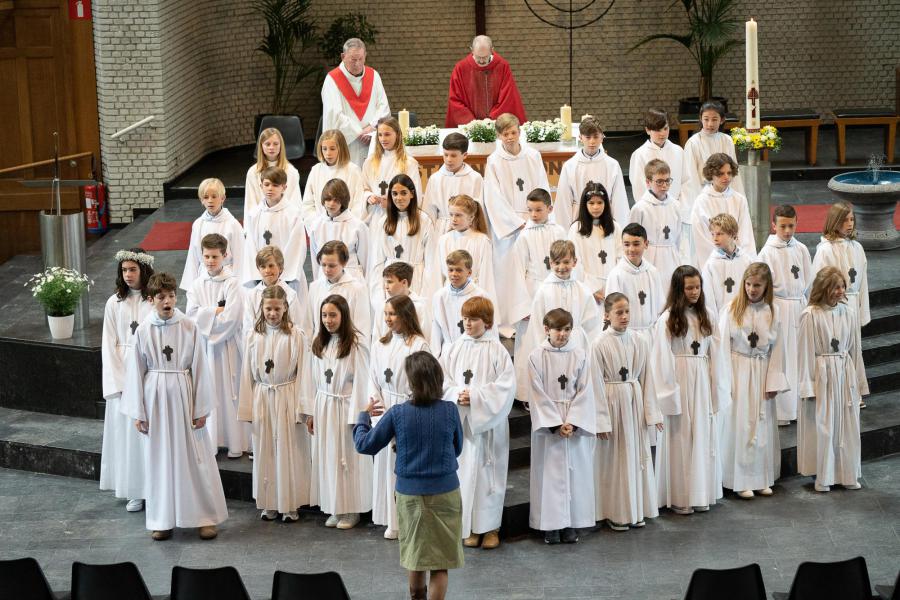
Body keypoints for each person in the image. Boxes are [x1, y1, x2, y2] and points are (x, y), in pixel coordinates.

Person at [121, 272, 228, 541]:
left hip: (183, 395)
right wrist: (138, 411)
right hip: (155, 397)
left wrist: (201, 407)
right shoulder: (144, 330)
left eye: (170, 296)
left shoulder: (189, 327)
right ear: (150, 300)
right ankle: (162, 519)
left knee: (195, 457)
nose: (167, 301)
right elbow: (136, 371)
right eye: (161, 297)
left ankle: (204, 517)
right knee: (160, 460)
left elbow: (200, 368)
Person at [354, 351, 464, 600]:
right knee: (440, 562)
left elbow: (364, 445)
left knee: (415, 556)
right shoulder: (450, 410)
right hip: (446, 492)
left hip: (410, 494)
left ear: (411, 382)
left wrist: (363, 417)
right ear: (438, 378)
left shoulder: (397, 413)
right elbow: (456, 449)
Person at [650, 266, 728, 515]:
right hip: (680, 382)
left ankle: (701, 493)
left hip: (702, 381)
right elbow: (661, 360)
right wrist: (668, 397)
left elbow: (717, 354)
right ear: (678, 290)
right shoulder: (667, 319)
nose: (695, 292)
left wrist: (717, 387)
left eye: (698, 287)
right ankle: (682, 496)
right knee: (681, 437)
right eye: (689, 288)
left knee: (702, 435)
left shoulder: (709, 316)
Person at [440, 297, 515, 550]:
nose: (468, 323)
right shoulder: (453, 348)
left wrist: (476, 396)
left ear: (487, 322)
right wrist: (457, 394)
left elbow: (505, 387)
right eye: (465, 318)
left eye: (473, 319)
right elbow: (443, 381)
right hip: (463, 424)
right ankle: (470, 527)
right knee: (464, 475)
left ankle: (491, 528)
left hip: (489, 424)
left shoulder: (497, 351)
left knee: (489, 476)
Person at [237, 285, 312, 522]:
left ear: (285, 307)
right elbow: (246, 373)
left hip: (287, 395)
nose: (272, 313)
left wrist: (304, 407)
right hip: (262, 395)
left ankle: (290, 505)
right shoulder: (252, 336)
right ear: (261, 308)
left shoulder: (296, 335)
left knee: (289, 449)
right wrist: (247, 406)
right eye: (268, 308)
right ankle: (269, 503)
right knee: (265, 450)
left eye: (277, 308)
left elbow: (304, 373)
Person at [592, 293, 662, 531]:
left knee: (637, 457)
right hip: (612, 404)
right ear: (607, 315)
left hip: (633, 401)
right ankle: (616, 512)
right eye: (619, 312)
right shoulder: (599, 343)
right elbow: (595, 383)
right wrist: (601, 422)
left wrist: (652, 414)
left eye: (627, 312)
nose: (624, 317)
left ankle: (637, 508)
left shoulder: (639, 340)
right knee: (617, 459)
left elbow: (648, 378)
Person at [528, 308, 597, 544]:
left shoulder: (580, 355)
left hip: (572, 421)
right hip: (550, 425)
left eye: (567, 329)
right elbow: (536, 393)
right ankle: (550, 525)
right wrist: (555, 424)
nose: (563, 334)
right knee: (550, 475)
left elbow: (586, 390)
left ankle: (571, 523)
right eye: (558, 329)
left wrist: (573, 423)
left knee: (574, 473)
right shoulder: (536, 356)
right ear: (547, 329)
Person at [718, 263, 787, 499]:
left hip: (761, 370)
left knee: (761, 424)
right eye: (748, 284)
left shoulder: (773, 311)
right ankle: (740, 479)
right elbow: (722, 348)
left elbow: (778, 349)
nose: (752, 289)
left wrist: (774, 381)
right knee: (741, 425)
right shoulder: (731, 309)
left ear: (767, 285)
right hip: (739, 370)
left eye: (757, 285)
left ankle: (760, 478)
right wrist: (725, 380)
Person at [797, 267, 868, 492]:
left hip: (844, 374)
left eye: (842, 287)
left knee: (847, 424)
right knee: (825, 425)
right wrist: (808, 386)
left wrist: (858, 382)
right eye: (835, 287)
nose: (840, 291)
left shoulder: (849, 313)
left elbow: (856, 350)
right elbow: (805, 353)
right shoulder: (811, 315)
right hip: (823, 375)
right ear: (823, 288)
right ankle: (824, 477)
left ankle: (848, 474)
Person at [368, 294, 431, 540]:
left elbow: (425, 384)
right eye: (385, 314)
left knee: (406, 469)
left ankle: (410, 521)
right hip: (386, 410)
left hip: (409, 409)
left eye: (392, 314)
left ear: (406, 315)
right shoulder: (379, 345)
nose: (388, 319)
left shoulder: (419, 345)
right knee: (387, 468)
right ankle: (391, 520)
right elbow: (373, 381)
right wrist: (378, 415)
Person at [308, 294, 373, 529]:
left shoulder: (356, 344)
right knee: (329, 457)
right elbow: (313, 380)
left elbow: (363, 382)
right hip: (325, 405)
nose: (328, 320)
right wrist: (311, 413)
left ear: (343, 316)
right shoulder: (319, 343)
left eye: (333, 315)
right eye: (324, 315)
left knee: (347, 458)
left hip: (346, 408)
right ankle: (335, 506)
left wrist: (358, 417)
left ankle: (351, 509)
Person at [100, 248, 154, 513]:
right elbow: (108, 345)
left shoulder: (154, 301)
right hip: (122, 373)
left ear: (144, 270)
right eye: (124, 270)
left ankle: (153, 487)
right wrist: (120, 382)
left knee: (147, 435)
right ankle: (134, 490)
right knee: (128, 439)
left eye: (133, 269)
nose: (128, 274)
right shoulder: (114, 303)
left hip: (148, 372)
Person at [482, 113, 548, 332]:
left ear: (519, 132)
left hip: (534, 220)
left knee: (534, 269)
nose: (510, 137)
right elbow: (493, 196)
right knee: (507, 272)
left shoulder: (533, 156)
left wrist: (537, 214)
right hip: (509, 227)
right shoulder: (494, 161)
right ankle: (509, 320)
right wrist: (517, 222)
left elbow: (542, 185)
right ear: (499, 136)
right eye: (505, 134)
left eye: (513, 132)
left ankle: (536, 313)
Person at [185, 234, 247, 458]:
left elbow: (232, 317)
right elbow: (189, 315)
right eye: (206, 256)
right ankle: (210, 441)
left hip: (228, 347)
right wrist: (213, 312)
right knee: (208, 389)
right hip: (204, 348)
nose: (210, 261)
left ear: (225, 255)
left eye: (215, 256)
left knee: (229, 393)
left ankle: (234, 442)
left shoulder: (233, 284)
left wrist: (207, 316)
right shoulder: (196, 284)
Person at [516, 240, 602, 401]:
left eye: (566, 262)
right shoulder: (544, 291)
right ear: (550, 262)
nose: (562, 267)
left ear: (575, 262)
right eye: (557, 262)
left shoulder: (582, 290)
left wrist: (588, 350)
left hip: (577, 345)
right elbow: (537, 327)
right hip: (551, 347)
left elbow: (592, 323)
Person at [757, 204, 812, 425]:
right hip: (779, 309)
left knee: (800, 357)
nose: (787, 231)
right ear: (774, 225)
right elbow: (762, 287)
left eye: (791, 225)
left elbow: (808, 281)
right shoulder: (767, 253)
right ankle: (783, 412)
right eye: (783, 226)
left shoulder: (802, 250)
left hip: (799, 306)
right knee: (784, 357)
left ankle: (799, 407)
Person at [367, 173, 440, 305]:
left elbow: (431, 263)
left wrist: (425, 296)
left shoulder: (424, 221)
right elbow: (376, 262)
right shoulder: (384, 222)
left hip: (415, 281)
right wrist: (378, 296)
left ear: (412, 194)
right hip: (390, 282)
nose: (398, 198)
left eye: (403, 193)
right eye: (394, 194)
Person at [321, 38, 390, 167]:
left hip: (371, 142)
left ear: (365, 56)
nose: (357, 64)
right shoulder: (332, 80)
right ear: (343, 56)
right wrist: (359, 132)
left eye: (361, 59)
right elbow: (334, 115)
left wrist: (372, 127)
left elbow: (383, 107)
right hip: (346, 145)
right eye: (353, 59)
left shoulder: (374, 76)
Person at [241, 166, 309, 299]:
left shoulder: (293, 215)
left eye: (275, 185)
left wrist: (282, 276)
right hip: (262, 277)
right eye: (266, 184)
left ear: (284, 187)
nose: (270, 188)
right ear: (261, 186)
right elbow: (250, 247)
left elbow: (296, 248)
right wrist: (259, 274)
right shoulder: (254, 215)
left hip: (286, 280)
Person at [554, 116, 629, 228]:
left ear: (602, 137)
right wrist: (564, 232)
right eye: (588, 137)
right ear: (580, 137)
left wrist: (620, 229)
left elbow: (619, 200)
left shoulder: (612, 165)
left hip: (606, 218)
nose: (592, 141)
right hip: (578, 221)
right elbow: (563, 202)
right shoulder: (570, 166)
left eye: (596, 137)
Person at [445, 35, 526, 127]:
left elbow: (507, 97)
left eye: (485, 57)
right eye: (478, 57)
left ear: (492, 50)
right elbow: (455, 99)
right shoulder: (460, 68)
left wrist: (491, 120)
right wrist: (472, 123)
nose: (482, 61)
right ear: (472, 50)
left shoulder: (502, 66)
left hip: (496, 124)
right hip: (470, 125)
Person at [691, 153, 755, 269]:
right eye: (720, 174)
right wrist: (720, 258)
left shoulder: (739, 199)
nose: (726, 177)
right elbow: (701, 238)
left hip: (737, 259)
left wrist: (743, 258)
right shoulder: (702, 201)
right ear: (711, 174)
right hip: (713, 261)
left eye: (729, 173)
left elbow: (746, 233)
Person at [628, 159, 684, 289]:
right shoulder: (640, 208)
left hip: (671, 257)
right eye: (659, 181)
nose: (664, 185)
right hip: (649, 257)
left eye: (667, 181)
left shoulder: (675, 205)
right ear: (648, 182)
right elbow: (632, 239)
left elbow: (678, 237)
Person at [812, 202, 870, 328]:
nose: (850, 224)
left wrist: (863, 313)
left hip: (854, 304)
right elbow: (818, 284)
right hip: (834, 307)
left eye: (852, 219)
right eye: (845, 220)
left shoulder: (857, 248)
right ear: (835, 221)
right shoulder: (825, 250)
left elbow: (863, 283)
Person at [431, 249, 497, 358]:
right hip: (449, 354)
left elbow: (491, 329)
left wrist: (492, 355)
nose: (454, 274)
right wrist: (435, 357)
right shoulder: (440, 296)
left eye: (459, 270)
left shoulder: (481, 296)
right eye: (450, 270)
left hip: (475, 352)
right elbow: (436, 330)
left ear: (469, 272)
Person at [604, 223, 665, 341]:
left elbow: (660, 307)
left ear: (646, 244)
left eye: (636, 244)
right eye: (627, 244)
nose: (631, 249)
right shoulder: (616, 275)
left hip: (651, 334)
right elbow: (612, 312)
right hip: (625, 336)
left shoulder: (653, 272)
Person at [181, 178, 243, 290]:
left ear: (222, 198)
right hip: (204, 276)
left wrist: (238, 285)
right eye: (206, 197)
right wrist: (192, 286)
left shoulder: (233, 225)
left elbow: (240, 257)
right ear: (201, 200)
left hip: (227, 277)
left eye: (214, 196)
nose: (210, 200)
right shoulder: (198, 224)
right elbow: (193, 256)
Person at [629, 108, 691, 217]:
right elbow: (639, 187)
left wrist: (680, 207)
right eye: (657, 130)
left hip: (675, 209)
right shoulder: (639, 154)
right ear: (648, 130)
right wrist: (649, 209)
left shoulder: (678, 151)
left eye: (665, 128)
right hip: (650, 211)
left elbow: (686, 181)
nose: (662, 133)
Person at [567, 182, 622, 304]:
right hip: (587, 288)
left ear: (606, 204)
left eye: (600, 203)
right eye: (591, 203)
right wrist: (590, 289)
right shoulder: (576, 229)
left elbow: (620, 258)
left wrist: (614, 287)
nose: (596, 207)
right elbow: (575, 262)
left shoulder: (615, 227)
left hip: (612, 287)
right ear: (584, 205)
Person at [242, 246, 309, 345]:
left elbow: (296, 325)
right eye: (263, 267)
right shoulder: (252, 295)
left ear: (280, 268)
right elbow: (248, 327)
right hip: (259, 345)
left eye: (271, 266)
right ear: (258, 269)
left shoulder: (290, 294)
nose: (267, 270)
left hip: (284, 344)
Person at [306, 178, 369, 281]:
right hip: (325, 280)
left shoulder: (357, 226)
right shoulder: (316, 226)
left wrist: (364, 285)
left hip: (351, 279)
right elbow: (315, 261)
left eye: (336, 200)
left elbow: (366, 261)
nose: (331, 204)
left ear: (343, 201)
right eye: (328, 199)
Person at [362, 116, 423, 223]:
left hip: (400, 217)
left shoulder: (409, 163)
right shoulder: (369, 162)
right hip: (375, 217)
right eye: (380, 135)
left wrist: (392, 203)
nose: (383, 139)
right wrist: (369, 196)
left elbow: (415, 194)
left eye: (387, 134)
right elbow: (363, 188)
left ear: (397, 135)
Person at [308, 240, 371, 342]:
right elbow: (309, 325)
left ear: (344, 263)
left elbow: (362, 328)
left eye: (332, 265)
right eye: (323, 265)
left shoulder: (357, 289)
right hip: (321, 348)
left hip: (347, 347)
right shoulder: (314, 287)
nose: (327, 270)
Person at [683, 100, 744, 204]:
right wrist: (699, 200)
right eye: (706, 119)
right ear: (700, 119)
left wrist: (737, 198)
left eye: (714, 119)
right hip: (703, 193)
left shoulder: (727, 140)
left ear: (722, 120)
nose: (710, 124)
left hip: (725, 192)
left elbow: (733, 171)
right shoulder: (693, 143)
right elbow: (691, 175)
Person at [422, 132, 484, 234]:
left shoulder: (475, 178)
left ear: (465, 155)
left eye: (453, 155)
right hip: (440, 230)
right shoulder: (435, 179)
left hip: (467, 230)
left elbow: (479, 212)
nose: (448, 160)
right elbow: (429, 212)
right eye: (445, 155)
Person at [301, 129, 367, 222]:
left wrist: (349, 225)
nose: (328, 153)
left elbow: (359, 203)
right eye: (324, 149)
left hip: (346, 226)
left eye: (332, 149)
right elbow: (308, 203)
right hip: (321, 226)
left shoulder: (353, 170)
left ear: (341, 148)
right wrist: (316, 224)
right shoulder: (316, 170)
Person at [437, 194, 495, 296]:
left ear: (471, 217)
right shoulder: (444, 240)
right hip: (449, 294)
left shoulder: (482, 241)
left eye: (458, 215)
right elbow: (437, 275)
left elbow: (486, 276)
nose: (453, 219)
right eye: (451, 215)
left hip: (473, 295)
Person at [701, 213, 755, 318]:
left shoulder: (747, 261)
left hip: (744, 316)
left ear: (732, 234)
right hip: (720, 319)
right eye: (712, 234)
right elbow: (708, 299)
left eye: (720, 234)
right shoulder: (710, 265)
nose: (715, 238)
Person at [244, 128, 301, 215]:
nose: (271, 147)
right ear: (261, 146)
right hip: (261, 218)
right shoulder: (253, 172)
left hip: (284, 218)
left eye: (275, 144)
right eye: (267, 144)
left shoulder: (291, 171)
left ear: (281, 146)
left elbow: (295, 202)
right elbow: (250, 204)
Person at [372, 262, 432, 344]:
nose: (386, 286)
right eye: (385, 282)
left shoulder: (420, 306)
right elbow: (376, 337)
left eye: (390, 282)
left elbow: (426, 337)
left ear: (404, 282)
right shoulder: (382, 306)